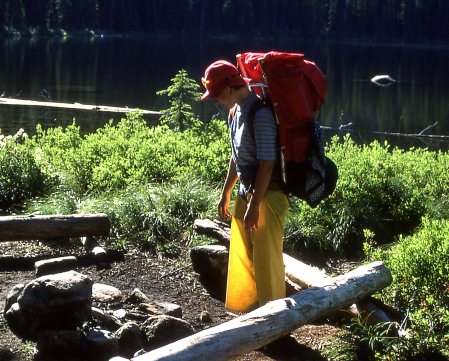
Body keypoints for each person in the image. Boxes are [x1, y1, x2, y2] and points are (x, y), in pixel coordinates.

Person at [201, 60, 289, 313]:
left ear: (229, 88)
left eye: (216, 95)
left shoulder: (261, 115)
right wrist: (226, 191)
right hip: (247, 193)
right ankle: (248, 311)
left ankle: (275, 320)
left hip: (268, 196)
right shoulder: (234, 111)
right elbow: (236, 157)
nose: (216, 100)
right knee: (243, 253)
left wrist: (254, 206)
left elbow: (268, 165)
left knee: (266, 259)